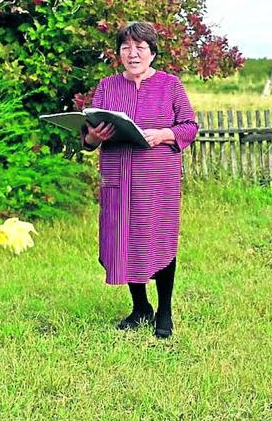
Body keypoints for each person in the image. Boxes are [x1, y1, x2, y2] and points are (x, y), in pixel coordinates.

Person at [83, 21, 199, 339]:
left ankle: (164, 311)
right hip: (117, 177)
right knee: (124, 241)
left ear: (152, 52)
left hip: (157, 180)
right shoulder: (106, 87)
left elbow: (189, 125)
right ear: (119, 53)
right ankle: (140, 308)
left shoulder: (170, 85)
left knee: (157, 240)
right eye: (126, 48)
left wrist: (164, 134)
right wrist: (93, 135)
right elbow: (89, 140)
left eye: (140, 47)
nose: (132, 54)